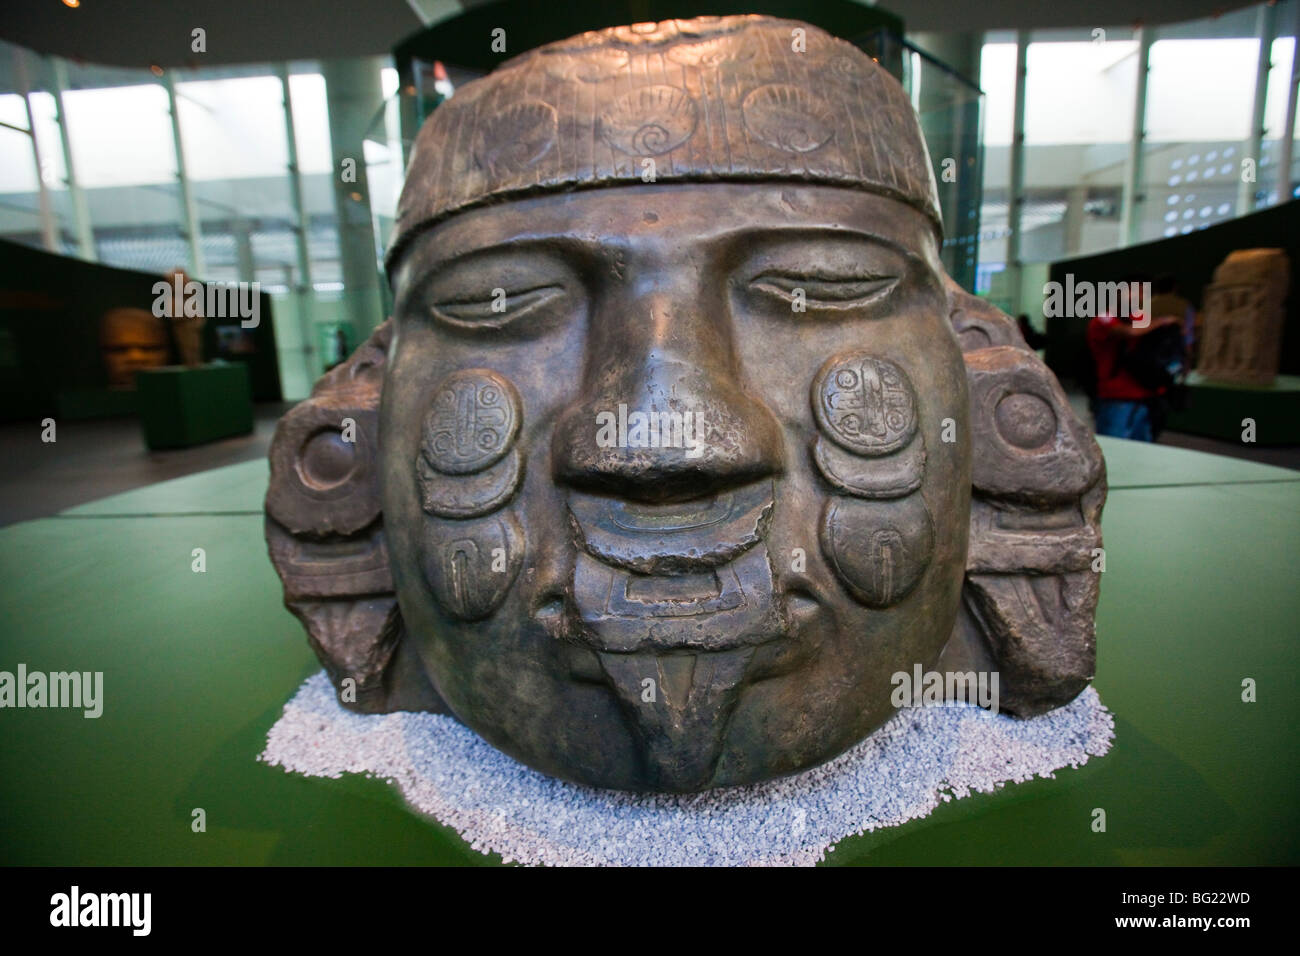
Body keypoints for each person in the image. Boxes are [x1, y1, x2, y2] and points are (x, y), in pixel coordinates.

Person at [1085, 278, 1181, 441]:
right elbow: (1128, 332)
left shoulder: (1142, 318)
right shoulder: (1105, 317)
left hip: (1146, 397)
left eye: (1144, 293)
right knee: (1112, 448)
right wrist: (1162, 321)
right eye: (1135, 291)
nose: (1140, 297)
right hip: (1116, 398)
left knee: (1142, 450)